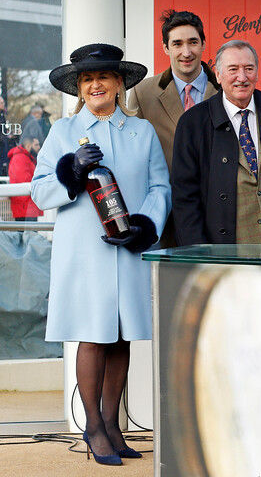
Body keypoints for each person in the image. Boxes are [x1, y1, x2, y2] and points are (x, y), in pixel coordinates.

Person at [30, 43, 170, 465]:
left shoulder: (142, 132)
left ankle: (112, 424)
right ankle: (93, 427)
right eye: (88, 79)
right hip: (83, 254)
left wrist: (143, 228)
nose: (96, 84)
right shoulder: (61, 131)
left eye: (104, 77)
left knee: (122, 336)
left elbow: (159, 189)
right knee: (93, 336)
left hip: (126, 250)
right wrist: (71, 169)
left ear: (119, 83)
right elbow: (39, 192)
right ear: (79, 87)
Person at [171, 40, 261, 245]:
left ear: (257, 73)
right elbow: (184, 198)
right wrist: (199, 255)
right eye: (233, 69)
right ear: (218, 74)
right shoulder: (193, 123)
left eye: (249, 69)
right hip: (221, 256)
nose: (242, 77)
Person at [128, 10, 219, 248]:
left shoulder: (225, 91)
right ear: (165, 47)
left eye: (193, 42)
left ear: (203, 44)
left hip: (218, 214)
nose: (186, 52)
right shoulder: (142, 93)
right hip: (165, 215)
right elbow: (134, 153)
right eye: (177, 44)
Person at [7, 133, 43, 220]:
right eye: (36, 145)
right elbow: (25, 182)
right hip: (25, 207)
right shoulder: (20, 159)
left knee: (27, 233)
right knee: (26, 233)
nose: (39, 147)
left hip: (27, 207)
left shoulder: (26, 158)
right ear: (28, 145)